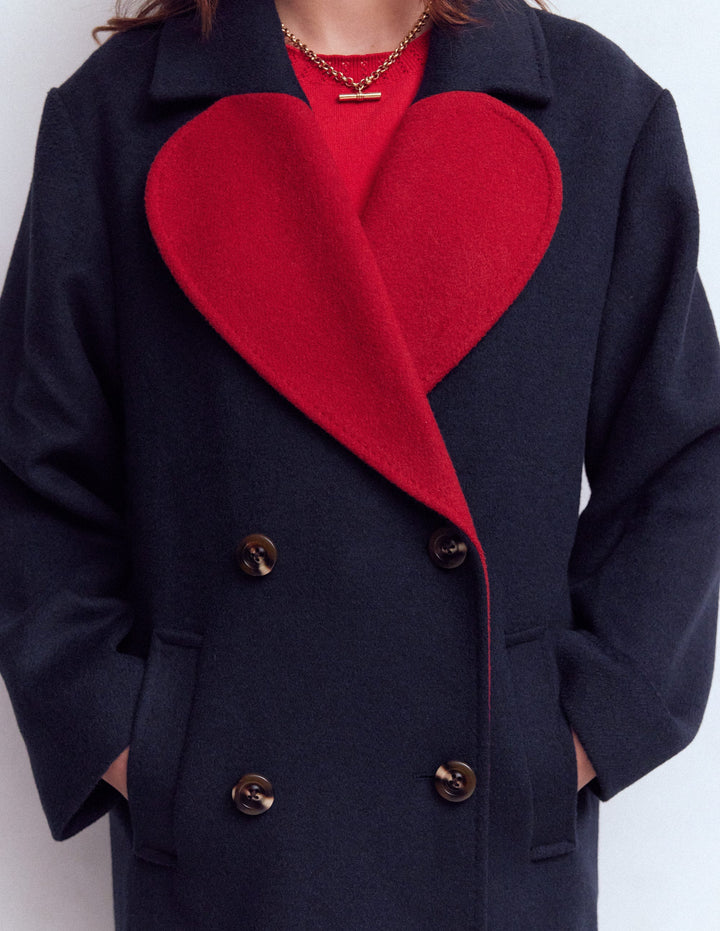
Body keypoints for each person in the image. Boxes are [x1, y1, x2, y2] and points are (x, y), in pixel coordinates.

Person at [0, 0, 717, 927]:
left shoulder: (597, 110)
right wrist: (138, 739)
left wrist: (575, 730)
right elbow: (32, 473)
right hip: (230, 852)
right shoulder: (116, 116)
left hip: (488, 844)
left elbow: (683, 460)